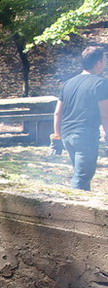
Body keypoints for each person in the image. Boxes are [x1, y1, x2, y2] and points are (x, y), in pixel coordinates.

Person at [53, 46, 108, 191]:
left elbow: (57, 113)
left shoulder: (68, 83)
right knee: (82, 178)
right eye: (104, 60)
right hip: (85, 137)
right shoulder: (100, 83)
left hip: (67, 136)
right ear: (98, 63)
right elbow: (105, 114)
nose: (105, 63)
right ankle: (71, 211)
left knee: (80, 174)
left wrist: (57, 136)